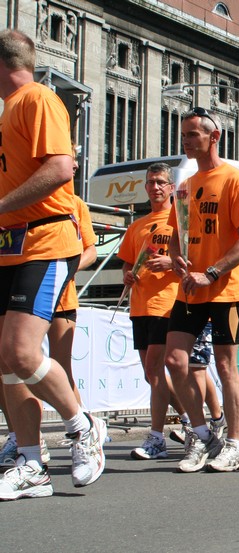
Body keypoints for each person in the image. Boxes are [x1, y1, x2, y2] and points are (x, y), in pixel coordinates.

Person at [0, 29, 106, 500]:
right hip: (9, 246)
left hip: (44, 241)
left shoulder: (37, 98)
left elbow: (61, 168)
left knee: (23, 352)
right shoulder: (8, 110)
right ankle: (31, 463)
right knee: (6, 359)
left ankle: (83, 427)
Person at [164, 107, 239, 472]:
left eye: (192, 134)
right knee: (175, 361)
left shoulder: (234, 179)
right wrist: (176, 258)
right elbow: (176, 234)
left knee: (225, 365)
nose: (186, 141)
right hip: (190, 289)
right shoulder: (185, 186)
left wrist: (212, 272)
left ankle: (235, 445)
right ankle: (204, 436)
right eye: (183, 135)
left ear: (214, 137)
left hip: (225, 290)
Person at [119, 163, 225, 461]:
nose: (154, 187)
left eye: (160, 182)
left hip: (170, 304)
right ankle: (194, 421)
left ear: (170, 188)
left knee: (168, 368)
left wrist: (170, 262)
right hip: (140, 306)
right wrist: (128, 274)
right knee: (152, 373)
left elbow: (194, 257)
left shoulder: (181, 218)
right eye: (150, 182)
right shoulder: (137, 226)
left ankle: (158, 436)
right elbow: (128, 261)